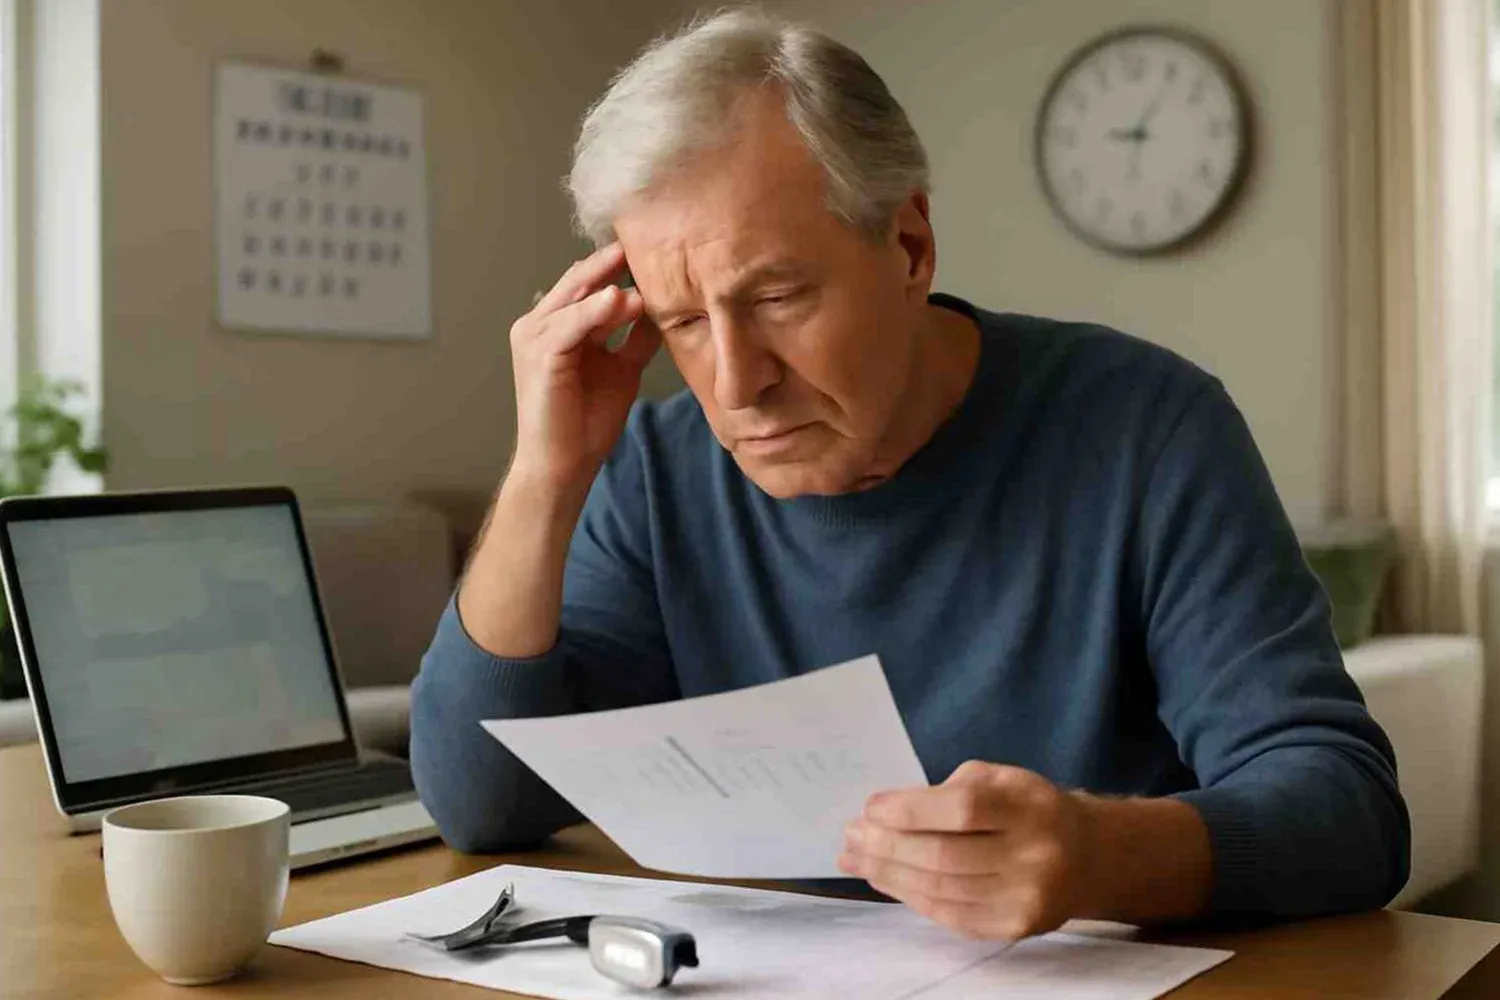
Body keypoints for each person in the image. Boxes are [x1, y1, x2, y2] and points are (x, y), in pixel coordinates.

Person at [411, 8, 1409, 941]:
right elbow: (482, 803)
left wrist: (1100, 856)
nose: (737, 383)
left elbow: (1348, 809)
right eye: (680, 323)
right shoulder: (654, 475)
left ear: (912, 245)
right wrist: (550, 469)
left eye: (779, 296)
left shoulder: (1148, 428)